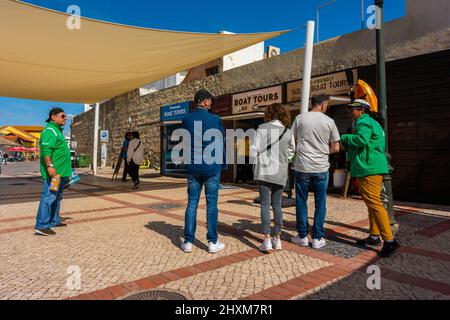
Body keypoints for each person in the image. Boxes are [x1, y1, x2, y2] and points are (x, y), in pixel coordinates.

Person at [341, 99, 400, 258]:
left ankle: (389, 240)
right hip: (374, 166)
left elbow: (362, 140)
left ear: (361, 110)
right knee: (372, 203)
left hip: (369, 168)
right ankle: (374, 236)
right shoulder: (373, 123)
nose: (349, 112)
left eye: (352, 109)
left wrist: (344, 138)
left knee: (375, 203)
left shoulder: (364, 122)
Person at [290, 94, 341, 249]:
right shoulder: (329, 121)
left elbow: (291, 143)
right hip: (321, 167)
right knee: (320, 203)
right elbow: (336, 147)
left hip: (302, 167)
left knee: (301, 201)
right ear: (323, 105)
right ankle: (317, 238)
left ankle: (302, 236)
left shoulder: (299, 119)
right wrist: (323, 152)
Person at [181, 89, 226, 254]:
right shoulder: (215, 119)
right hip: (212, 167)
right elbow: (221, 141)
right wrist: (223, 165)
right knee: (211, 205)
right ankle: (212, 242)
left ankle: (188, 242)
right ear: (205, 101)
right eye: (211, 101)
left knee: (192, 203)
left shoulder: (186, 119)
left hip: (193, 167)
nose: (212, 103)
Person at [250, 104, 295, 252]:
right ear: (283, 115)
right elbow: (291, 152)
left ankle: (266, 239)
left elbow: (253, 149)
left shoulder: (261, 129)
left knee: (264, 204)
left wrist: (255, 161)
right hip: (280, 172)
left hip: (264, 171)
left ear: (268, 114)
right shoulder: (288, 132)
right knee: (277, 204)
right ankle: (277, 238)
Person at [34, 107, 72, 236]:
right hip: (55, 174)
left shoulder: (57, 131)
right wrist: (50, 166)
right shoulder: (50, 130)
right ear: (53, 117)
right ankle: (42, 225)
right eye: (62, 116)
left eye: (65, 116)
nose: (65, 118)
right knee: (49, 196)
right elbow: (46, 150)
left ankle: (54, 220)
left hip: (61, 173)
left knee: (57, 196)